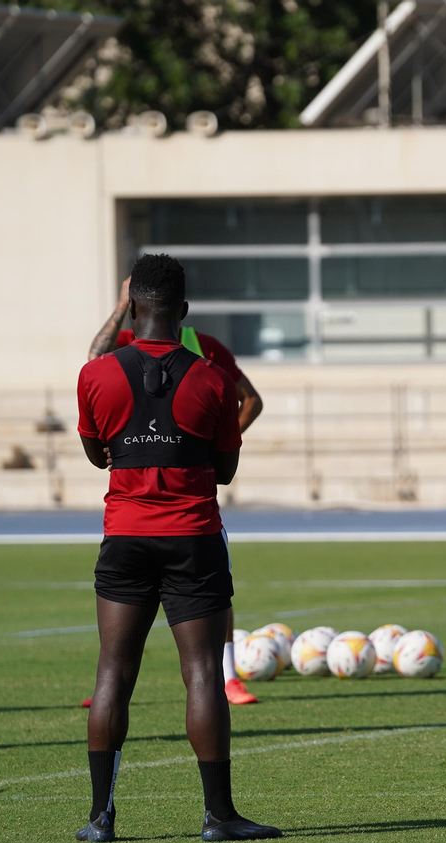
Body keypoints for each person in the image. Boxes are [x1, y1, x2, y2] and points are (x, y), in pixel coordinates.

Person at [73, 254, 279, 843]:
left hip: (126, 537)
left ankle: (100, 819)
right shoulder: (211, 377)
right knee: (202, 675)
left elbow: (96, 453)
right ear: (184, 311)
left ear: (133, 309)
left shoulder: (97, 375)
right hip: (192, 537)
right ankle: (219, 817)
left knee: (114, 670)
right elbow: (226, 469)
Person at [84, 276, 266, 707]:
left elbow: (251, 400)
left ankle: (229, 676)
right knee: (131, 659)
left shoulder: (205, 349)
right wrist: (120, 304)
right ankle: (128, 684)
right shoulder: (127, 344)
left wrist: (209, 445)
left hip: (185, 503)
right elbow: (93, 357)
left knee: (216, 591)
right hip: (145, 510)